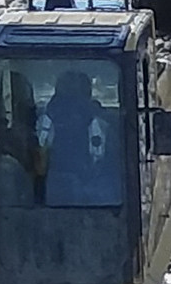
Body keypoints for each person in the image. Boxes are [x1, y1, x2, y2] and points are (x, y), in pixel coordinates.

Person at [42, 68, 124, 207]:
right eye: (66, 102)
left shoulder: (109, 129)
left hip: (102, 208)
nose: (72, 112)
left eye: (78, 102)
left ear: (88, 102)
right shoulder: (38, 127)